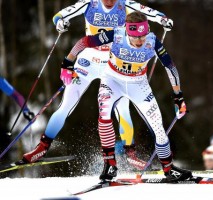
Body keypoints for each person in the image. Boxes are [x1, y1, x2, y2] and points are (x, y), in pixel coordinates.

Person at [20, 0, 173, 166]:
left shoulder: (125, 4)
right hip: (88, 61)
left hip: (114, 64)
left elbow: (151, 13)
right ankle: (42, 147)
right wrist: (60, 23)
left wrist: (163, 19)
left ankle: (130, 153)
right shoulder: (89, 3)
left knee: (123, 110)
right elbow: (60, 15)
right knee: (66, 104)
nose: (109, 2)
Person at [58, 11, 191, 181]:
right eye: (135, 37)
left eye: (142, 36)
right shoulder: (117, 35)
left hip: (138, 84)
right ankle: (110, 165)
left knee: (157, 125)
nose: (139, 41)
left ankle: (168, 168)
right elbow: (84, 42)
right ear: (127, 31)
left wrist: (178, 97)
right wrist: (68, 61)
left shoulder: (153, 41)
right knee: (104, 114)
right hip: (113, 81)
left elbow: (170, 68)